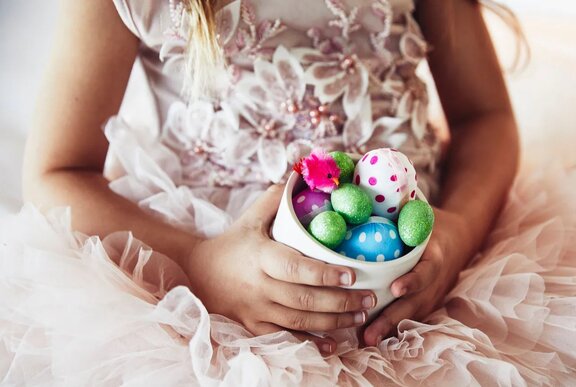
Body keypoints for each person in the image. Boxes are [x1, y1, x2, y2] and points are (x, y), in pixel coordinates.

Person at [1, 0, 574, 385]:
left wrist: (459, 229)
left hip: (421, 289)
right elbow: (57, 173)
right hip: (217, 299)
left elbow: (485, 116)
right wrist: (200, 265)